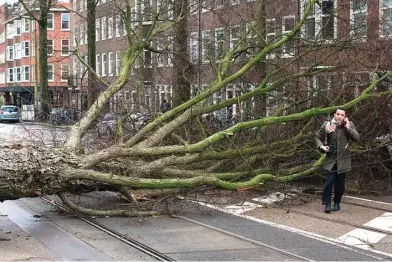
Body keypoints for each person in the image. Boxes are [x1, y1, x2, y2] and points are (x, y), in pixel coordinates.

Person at [315, 108, 359, 213]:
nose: (339, 116)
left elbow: (357, 138)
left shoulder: (349, 125)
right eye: (337, 114)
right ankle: (327, 204)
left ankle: (337, 203)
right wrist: (322, 147)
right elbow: (317, 137)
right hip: (331, 159)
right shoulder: (327, 125)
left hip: (343, 160)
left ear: (345, 117)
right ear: (334, 115)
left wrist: (348, 128)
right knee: (329, 181)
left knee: (340, 184)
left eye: (342, 115)